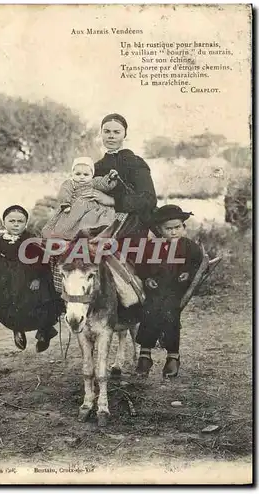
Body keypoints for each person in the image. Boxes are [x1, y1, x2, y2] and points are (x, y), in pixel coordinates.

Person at [135, 204, 203, 378]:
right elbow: (140, 266)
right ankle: (145, 354)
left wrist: (187, 274)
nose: (174, 232)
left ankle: (173, 355)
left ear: (184, 227)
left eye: (177, 227)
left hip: (175, 289)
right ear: (159, 230)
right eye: (168, 229)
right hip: (155, 289)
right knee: (150, 311)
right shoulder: (150, 247)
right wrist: (147, 279)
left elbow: (197, 264)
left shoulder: (190, 247)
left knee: (170, 312)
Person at [0, 205, 63, 353]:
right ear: (4, 223)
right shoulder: (0, 242)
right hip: (10, 283)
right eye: (11, 221)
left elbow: (43, 259)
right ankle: (17, 329)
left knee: (42, 306)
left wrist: (38, 278)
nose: (15, 224)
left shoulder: (31, 239)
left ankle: (44, 332)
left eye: (20, 221)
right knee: (10, 306)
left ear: (25, 223)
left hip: (32, 280)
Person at [94, 113, 157, 240]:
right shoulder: (96, 166)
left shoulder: (135, 162)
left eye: (116, 132)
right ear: (101, 133)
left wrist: (112, 201)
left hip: (133, 225)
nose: (111, 136)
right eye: (107, 131)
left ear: (125, 135)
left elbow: (149, 199)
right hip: (101, 222)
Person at [42, 157, 118, 240]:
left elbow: (104, 185)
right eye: (78, 174)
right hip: (74, 205)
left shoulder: (93, 182)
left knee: (93, 217)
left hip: (91, 204)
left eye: (86, 174)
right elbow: (64, 192)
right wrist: (66, 203)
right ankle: (60, 233)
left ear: (92, 175)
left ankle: (94, 230)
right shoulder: (71, 183)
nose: (82, 177)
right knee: (67, 218)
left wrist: (110, 178)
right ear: (72, 173)